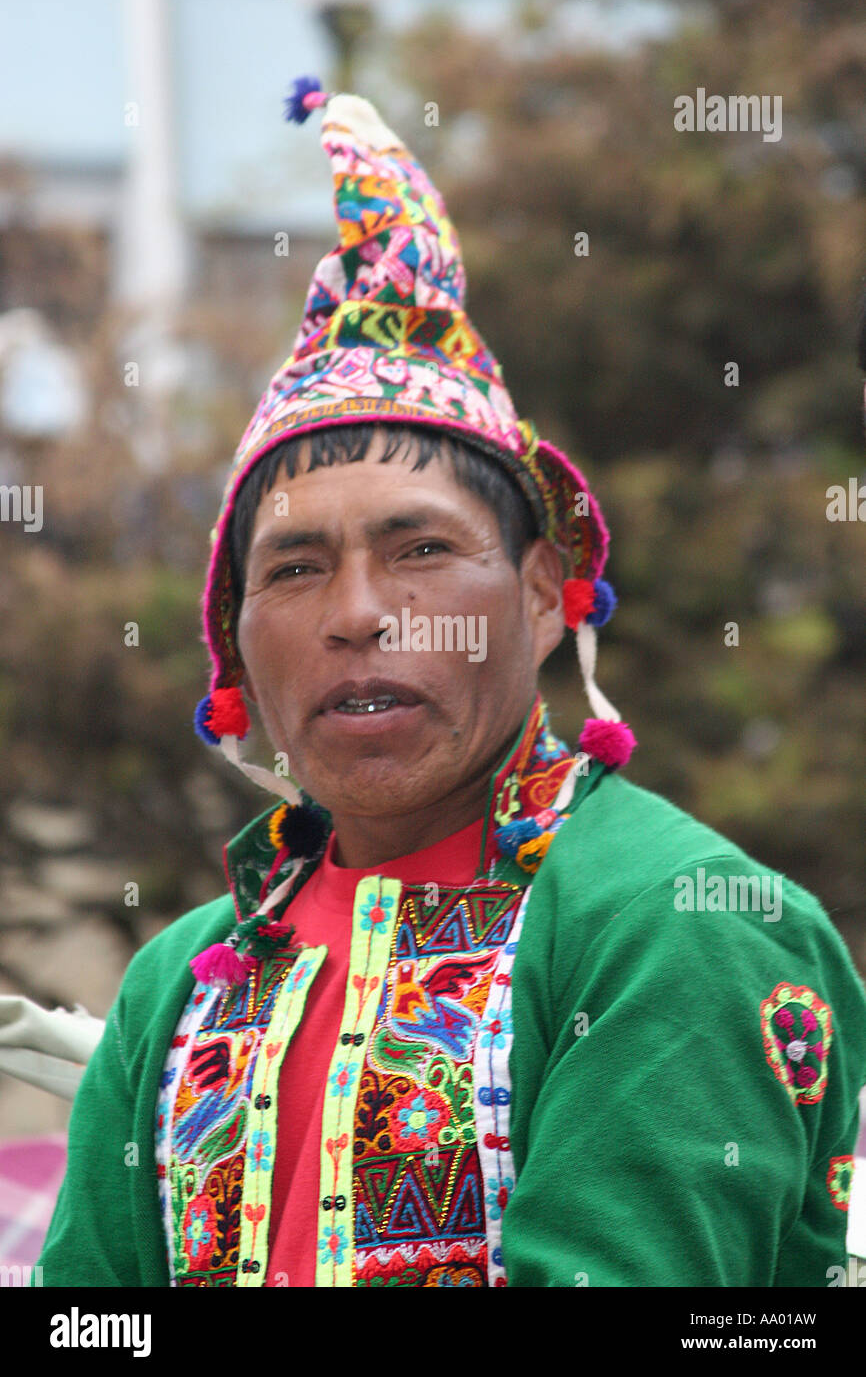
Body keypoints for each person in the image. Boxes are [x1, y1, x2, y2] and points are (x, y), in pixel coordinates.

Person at [37, 78, 866, 1288]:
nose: (359, 614)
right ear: (234, 644)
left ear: (542, 596)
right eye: (296, 569)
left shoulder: (670, 920)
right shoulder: (184, 978)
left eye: (420, 549)